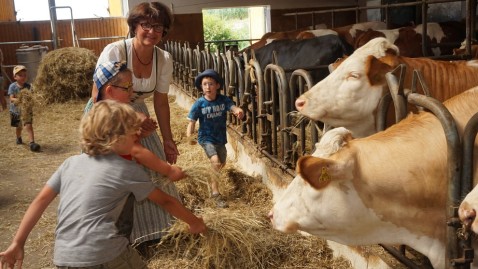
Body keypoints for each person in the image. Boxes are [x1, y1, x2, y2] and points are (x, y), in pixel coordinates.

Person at [0, 100, 207, 269]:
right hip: (104, 255)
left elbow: (40, 201)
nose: (137, 135)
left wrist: (18, 242)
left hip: (64, 257)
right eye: (132, 132)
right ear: (115, 138)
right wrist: (194, 222)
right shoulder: (127, 170)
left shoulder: (70, 164)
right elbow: (167, 201)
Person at [85, 2, 181, 255]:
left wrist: (168, 140)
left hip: (138, 113)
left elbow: (160, 102)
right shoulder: (115, 51)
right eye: (145, 25)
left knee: (152, 170)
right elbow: (99, 95)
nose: (151, 31)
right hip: (106, 114)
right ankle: (110, 238)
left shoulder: (164, 59)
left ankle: (149, 234)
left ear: (164, 30)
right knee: (115, 173)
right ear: (135, 26)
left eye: (158, 26)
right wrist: (132, 119)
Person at [88, 60, 185, 182]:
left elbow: (123, 144)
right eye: (127, 87)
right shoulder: (112, 117)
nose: (132, 91)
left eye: (131, 86)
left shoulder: (103, 112)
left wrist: (142, 134)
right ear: (110, 91)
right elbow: (136, 150)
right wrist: (169, 170)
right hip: (112, 179)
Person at [186, 69, 244, 208]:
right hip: (206, 138)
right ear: (201, 87)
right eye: (204, 84)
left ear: (217, 85)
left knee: (221, 164)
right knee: (216, 161)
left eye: (211, 84)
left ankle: (211, 179)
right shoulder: (199, 104)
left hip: (220, 138)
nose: (207, 87)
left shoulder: (223, 100)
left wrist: (238, 111)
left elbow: (233, 107)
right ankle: (215, 194)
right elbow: (192, 122)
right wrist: (189, 137)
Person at [8, 65, 40, 152]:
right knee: (18, 127)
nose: (23, 77)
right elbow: (11, 98)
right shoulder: (12, 86)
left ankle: (32, 143)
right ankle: (18, 137)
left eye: (25, 75)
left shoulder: (28, 86)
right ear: (15, 77)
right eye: (20, 75)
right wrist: (20, 99)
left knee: (29, 125)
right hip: (16, 110)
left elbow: (32, 97)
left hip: (26, 110)